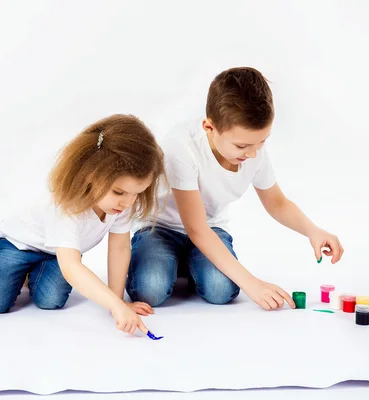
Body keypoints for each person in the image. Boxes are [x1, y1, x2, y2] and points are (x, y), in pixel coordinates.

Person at [126, 67, 344, 310]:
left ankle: (186, 263)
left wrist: (313, 231)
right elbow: (195, 228)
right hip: (162, 229)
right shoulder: (181, 147)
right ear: (209, 127)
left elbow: (277, 202)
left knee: (221, 290)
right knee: (150, 289)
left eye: (262, 141)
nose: (252, 153)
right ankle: (173, 261)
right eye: (242, 145)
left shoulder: (254, 151)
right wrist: (252, 283)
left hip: (210, 228)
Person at [0, 114, 165, 334]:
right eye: (119, 192)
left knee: (51, 300)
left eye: (136, 194)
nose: (127, 202)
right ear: (92, 175)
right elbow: (72, 267)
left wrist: (118, 301)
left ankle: (26, 276)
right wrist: (115, 305)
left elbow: (119, 248)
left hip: (57, 253)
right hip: (18, 246)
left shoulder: (121, 204)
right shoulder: (67, 207)